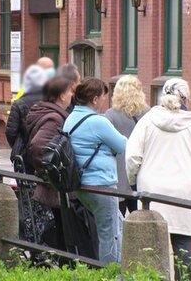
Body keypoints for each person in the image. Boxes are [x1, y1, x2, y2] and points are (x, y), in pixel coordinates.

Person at [126, 78, 191, 278]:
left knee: (151, 247)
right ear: (186, 98)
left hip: (151, 191)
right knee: (184, 245)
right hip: (186, 192)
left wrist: (134, 181)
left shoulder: (147, 121)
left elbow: (132, 157)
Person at [64, 77, 127, 264]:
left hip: (83, 184)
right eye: (102, 97)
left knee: (118, 226)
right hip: (101, 184)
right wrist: (108, 148)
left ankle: (122, 269)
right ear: (94, 99)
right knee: (109, 234)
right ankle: (111, 273)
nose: (104, 101)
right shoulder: (98, 121)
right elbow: (123, 144)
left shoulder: (72, 118)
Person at [26, 76, 73, 248]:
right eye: (70, 92)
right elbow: (38, 146)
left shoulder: (44, 111)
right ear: (61, 95)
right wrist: (52, 175)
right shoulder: (55, 118)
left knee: (62, 227)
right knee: (63, 230)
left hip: (51, 184)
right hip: (54, 186)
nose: (72, 95)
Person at [105, 76, 150, 217]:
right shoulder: (149, 114)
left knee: (119, 219)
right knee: (142, 218)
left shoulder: (110, 115)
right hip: (141, 172)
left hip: (119, 174)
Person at [6, 65, 48, 165]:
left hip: (24, 155)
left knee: (25, 179)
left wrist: (18, 145)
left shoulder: (19, 103)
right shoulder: (52, 101)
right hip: (47, 153)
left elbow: (11, 132)